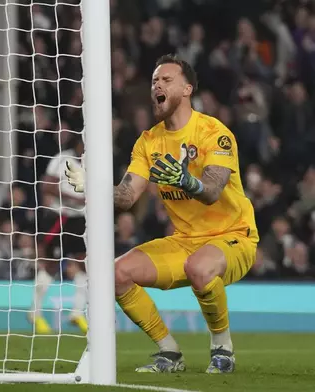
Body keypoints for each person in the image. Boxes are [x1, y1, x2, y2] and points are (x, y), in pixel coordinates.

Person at [65, 54, 258, 374]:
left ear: (187, 89)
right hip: (185, 241)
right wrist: (93, 187)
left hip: (233, 236)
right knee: (115, 274)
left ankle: (222, 348)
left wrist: (185, 180)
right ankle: (169, 352)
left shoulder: (214, 133)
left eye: (167, 80)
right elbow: (126, 197)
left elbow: (211, 192)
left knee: (199, 267)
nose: (158, 84)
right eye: (155, 80)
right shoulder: (149, 142)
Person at [30, 133, 88, 334]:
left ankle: (77, 313)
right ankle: (35, 313)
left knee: (85, 264)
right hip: (59, 217)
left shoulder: (93, 162)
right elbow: (47, 186)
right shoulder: (63, 159)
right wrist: (75, 199)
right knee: (51, 265)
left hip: (80, 220)